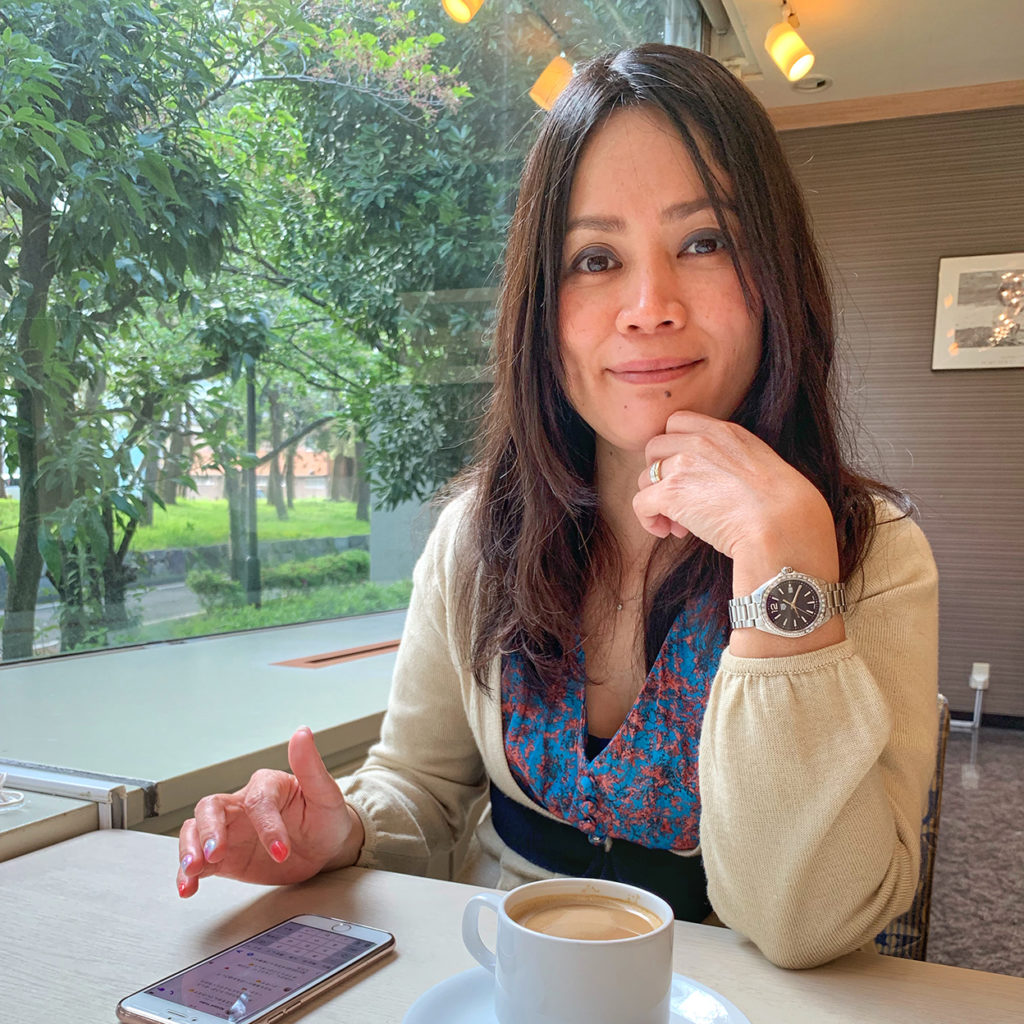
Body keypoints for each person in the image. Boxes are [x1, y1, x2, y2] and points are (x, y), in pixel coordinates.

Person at [176, 44, 938, 970]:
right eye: (595, 258)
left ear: (776, 276)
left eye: (705, 242)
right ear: (543, 306)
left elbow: (810, 922)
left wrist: (786, 567)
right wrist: (338, 834)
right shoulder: (476, 538)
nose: (649, 306)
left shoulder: (872, 553)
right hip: (500, 979)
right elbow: (421, 786)